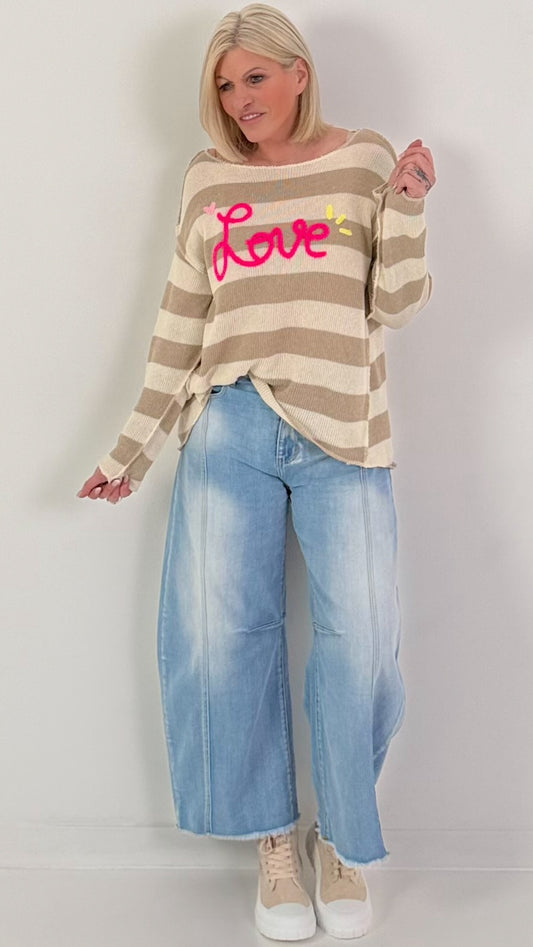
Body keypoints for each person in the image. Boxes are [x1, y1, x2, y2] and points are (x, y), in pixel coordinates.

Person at [77, 2, 436, 940]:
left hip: (344, 430)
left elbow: (395, 303)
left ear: (298, 73)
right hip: (229, 421)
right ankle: (273, 840)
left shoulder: (363, 159)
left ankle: (340, 837)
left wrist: (405, 204)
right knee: (218, 634)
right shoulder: (208, 179)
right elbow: (179, 324)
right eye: (227, 85)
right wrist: (131, 448)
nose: (240, 99)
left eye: (255, 78)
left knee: (363, 641)